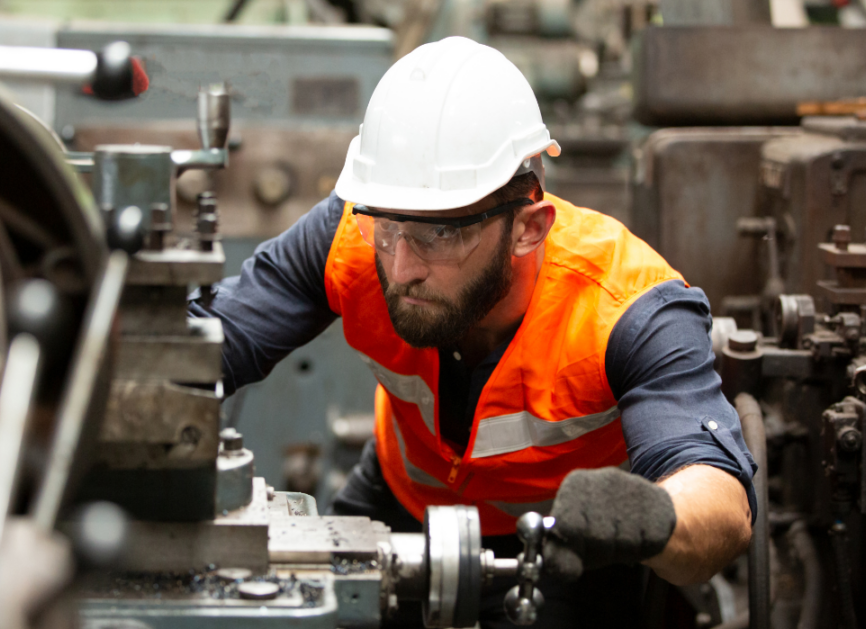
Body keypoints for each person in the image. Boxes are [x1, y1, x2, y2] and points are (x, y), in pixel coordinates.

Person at [190, 36, 755, 627]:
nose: (402, 268)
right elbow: (210, 338)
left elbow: (720, 506)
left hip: (568, 543)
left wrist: (653, 519)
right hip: (400, 500)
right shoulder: (351, 238)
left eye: (441, 235)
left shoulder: (626, 307)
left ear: (528, 229)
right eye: (388, 228)